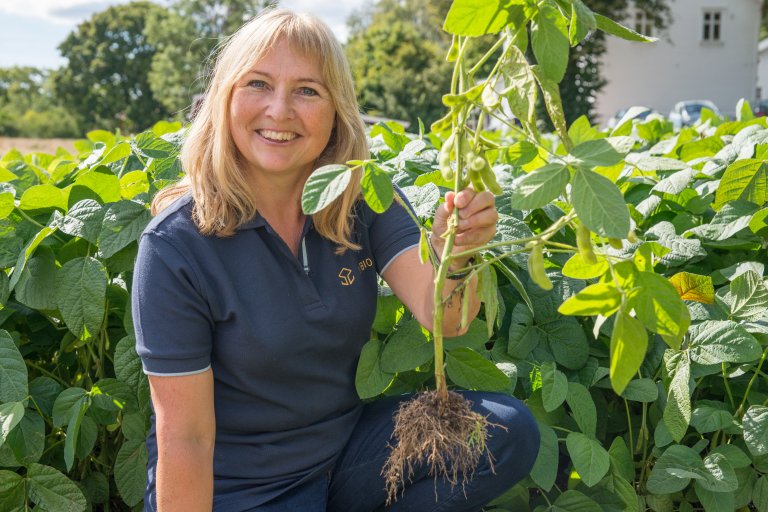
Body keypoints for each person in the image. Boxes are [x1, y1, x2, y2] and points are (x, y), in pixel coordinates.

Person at [132, 8, 539, 512]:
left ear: (336, 111)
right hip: (239, 488)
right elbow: (185, 437)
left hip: (342, 455)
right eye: (258, 84)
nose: (280, 111)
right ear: (225, 99)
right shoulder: (176, 246)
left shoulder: (363, 198)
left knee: (505, 432)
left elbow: (448, 319)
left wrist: (457, 251)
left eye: (308, 90)